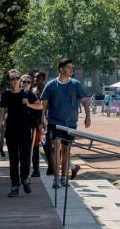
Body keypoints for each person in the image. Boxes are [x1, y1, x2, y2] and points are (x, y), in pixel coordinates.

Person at [41, 59, 91, 189]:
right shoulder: (51, 85)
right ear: (61, 69)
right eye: (69, 68)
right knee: (56, 149)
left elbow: (84, 100)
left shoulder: (76, 84)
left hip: (70, 123)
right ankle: (56, 179)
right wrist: (43, 118)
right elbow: (44, 103)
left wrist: (88, 117)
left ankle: (64, 178)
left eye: (71, 68)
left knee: (66, 150)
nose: (71, 70)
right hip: (54, 123)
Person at [0, 71, 42, 197]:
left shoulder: (27, 93)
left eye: (17, 78)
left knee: (25, 157)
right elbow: (2, 113)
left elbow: (39, 106)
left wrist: (28, 104)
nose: (16, 80)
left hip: (24, 130)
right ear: (8, 81)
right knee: (13, 159)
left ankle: (25, 179)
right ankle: (14, 185)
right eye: (13, 79)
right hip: (11, 130)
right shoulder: (6, 95)